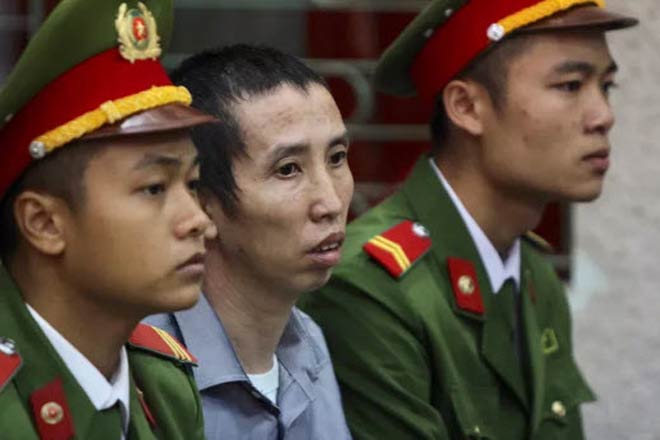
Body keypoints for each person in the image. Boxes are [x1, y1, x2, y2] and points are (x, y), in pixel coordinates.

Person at [298, 1, 638, 439]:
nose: (603, 115)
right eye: (570, 85)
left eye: (606, 86)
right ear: (467, 107)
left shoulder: (532, 274)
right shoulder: (369, 289)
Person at [0, 0, 218, 437]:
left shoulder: (164, 386)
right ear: (44, 224)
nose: (199, 222)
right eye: (154, 188)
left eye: (192, 183)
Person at [145, 44, 353, 439]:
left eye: (337, 158)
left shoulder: (309, 343)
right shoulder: (146, 369)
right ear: (202, 203)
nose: (330, 202)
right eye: (288, 170)